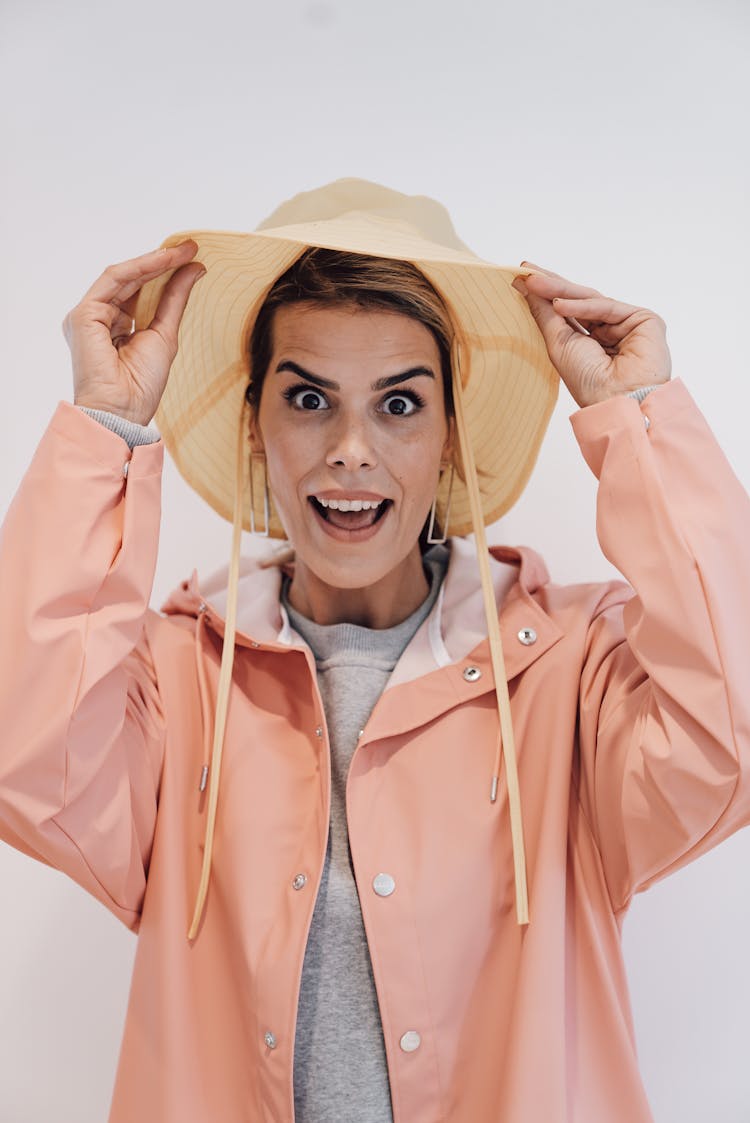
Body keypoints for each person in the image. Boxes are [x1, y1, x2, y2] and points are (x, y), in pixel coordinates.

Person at [0, 178, 748, 1123]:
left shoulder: (571, 672)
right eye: (309, 396)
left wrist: (640, 419)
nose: (351, 449)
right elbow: (27, 759)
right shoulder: (171, 682)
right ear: (253, 424)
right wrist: (102, 432)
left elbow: (731, 732)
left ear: (446, 438)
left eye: (400, 404)